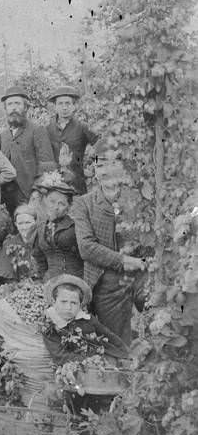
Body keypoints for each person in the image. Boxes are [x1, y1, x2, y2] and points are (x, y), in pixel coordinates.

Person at [71, 139, 146, 345]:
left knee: (158, 327)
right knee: (117, 343)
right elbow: (86, 248)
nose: (104, 170)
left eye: (111, 163)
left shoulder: (139, 200)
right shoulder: (83, 203)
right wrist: (123, 260)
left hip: (141, 276)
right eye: (99, 164)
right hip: (106, 282)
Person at [41, 274, 129, 366]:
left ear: (80, 305)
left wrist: (124, 351)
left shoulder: (87, 319)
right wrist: (89, 360)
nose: (68, 307)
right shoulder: (50, 326)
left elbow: (109, 335)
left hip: (98, 355)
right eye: (63, 302)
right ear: (54, 302)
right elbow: (59, 355)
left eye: (74, 303)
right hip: (74, 363)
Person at [0, 86, 57, 215]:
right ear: (6, 109)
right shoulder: (3, 136)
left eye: (17, 103)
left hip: (28, 194)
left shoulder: (37, 130)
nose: (13, 107)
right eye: (10, 104)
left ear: (25, 107)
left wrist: (37, 192)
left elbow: (47, 165)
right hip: (7, 196)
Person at [46, 86, 99, 195]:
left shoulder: (82, 127)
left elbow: (101, 146)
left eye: (68, 103)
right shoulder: (48, 129)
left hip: (77, 185)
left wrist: (94, 167)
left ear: (74, 106)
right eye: (60, 104)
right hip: (54, 185)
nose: (64, 107)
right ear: (55, 107)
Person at [31, 174, 84, 281]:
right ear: (45, 200)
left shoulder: (75, 227)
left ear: (68, 207)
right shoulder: (41, 227)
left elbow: (86, 256)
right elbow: (38, 256)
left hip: (74, 281)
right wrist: (44, 277)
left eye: (61, 204)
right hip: (49, 282)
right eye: (52, 201)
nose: (55, 207)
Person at [2, 204, 38, 280]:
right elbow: (6, 275)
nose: (24, 227)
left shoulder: (42, 242)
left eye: (28, 223)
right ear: (15, 224)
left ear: (35, 222)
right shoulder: (9, 244)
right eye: (20, 223)